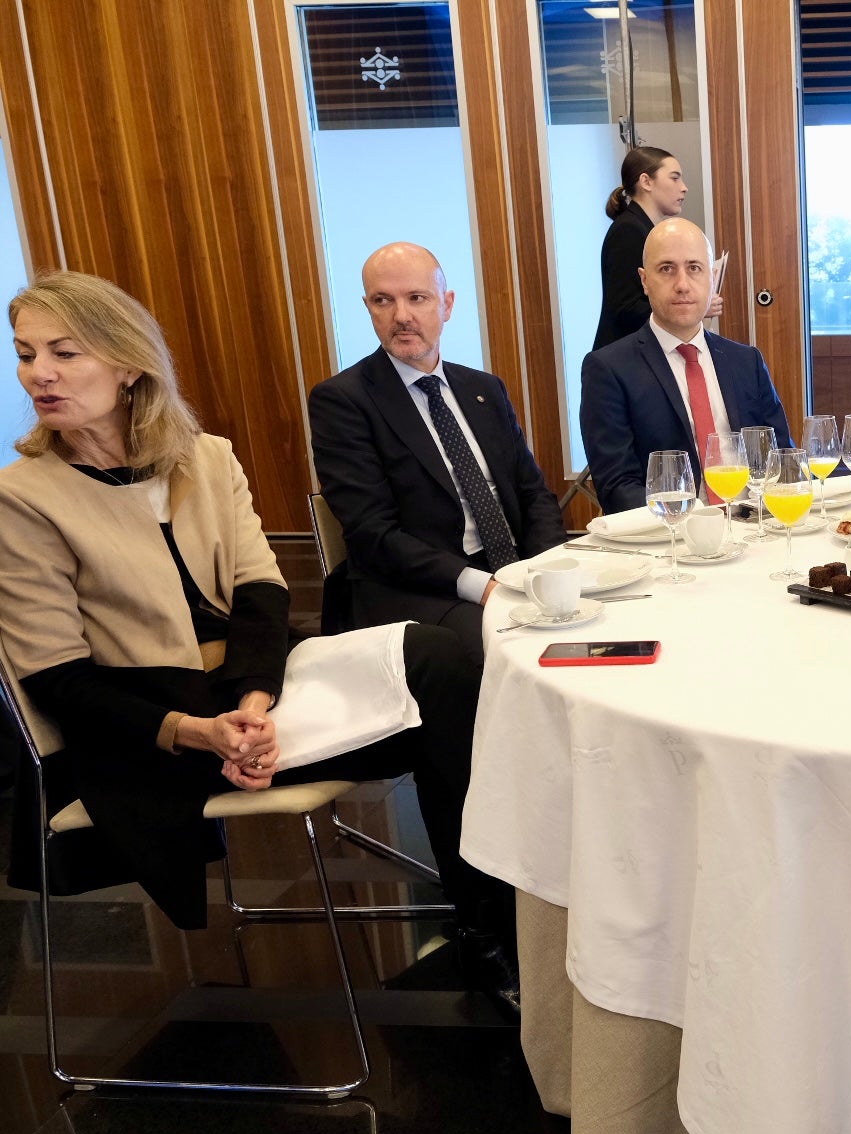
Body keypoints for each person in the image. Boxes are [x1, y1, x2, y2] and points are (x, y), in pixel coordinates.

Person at [0, 272, 517, 1008]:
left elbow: (262, 592)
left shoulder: (205, 457)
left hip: (250, 691)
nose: (40, 374)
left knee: (443, 663)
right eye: (26, 355)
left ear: (128, 364)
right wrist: (199, 732)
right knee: (445, 709)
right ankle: (493, 933)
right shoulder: (23, 496)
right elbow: (56, 680)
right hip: (145, 731)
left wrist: (251, 700)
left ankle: (492, 918)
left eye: (64, 352)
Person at [308, 242, 566, 657]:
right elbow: (373, 533)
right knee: (511, 646)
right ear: (368, 307)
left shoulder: (484, 389)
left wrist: (544, 568)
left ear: (446, 305)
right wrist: (484, 587)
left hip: (511, 569)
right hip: (417, 586)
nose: (401, 316)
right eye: (383, 301)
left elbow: (532, 493)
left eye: (417, 298)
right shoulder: (343, 401)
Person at [580, 217, 793, 512]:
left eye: (694, 268)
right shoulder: (608, 369)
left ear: (711, 278)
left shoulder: (746, 361)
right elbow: (618, 489)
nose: (682, 284)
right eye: (666, 269)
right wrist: (695, 521)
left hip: (757, 526)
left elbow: (783, 459)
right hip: (671, 539)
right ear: (644, 280)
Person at [594, 147, 722, 352]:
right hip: (625, 360)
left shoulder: (643, 228)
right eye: (674, 178)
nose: (684, 187)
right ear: (646, 182)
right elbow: (625, 309)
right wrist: (687, 307)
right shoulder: (628, 229)